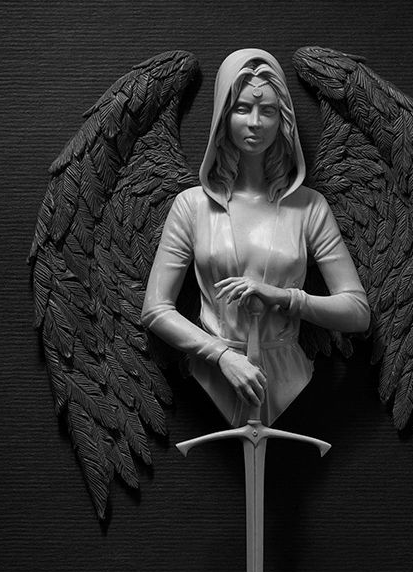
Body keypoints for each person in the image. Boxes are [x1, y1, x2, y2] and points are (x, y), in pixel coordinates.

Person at [141, 48, 370, 427]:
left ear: (283, 119)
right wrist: (220, 355)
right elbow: (155, 308)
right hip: (216, 374)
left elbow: (357, 312)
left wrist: (284, 297)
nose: (255, 123)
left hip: (289, 375)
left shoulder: (308, 207)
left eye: (268, 111)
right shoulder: (192, 206)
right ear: (223, 115)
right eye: (242, 108)